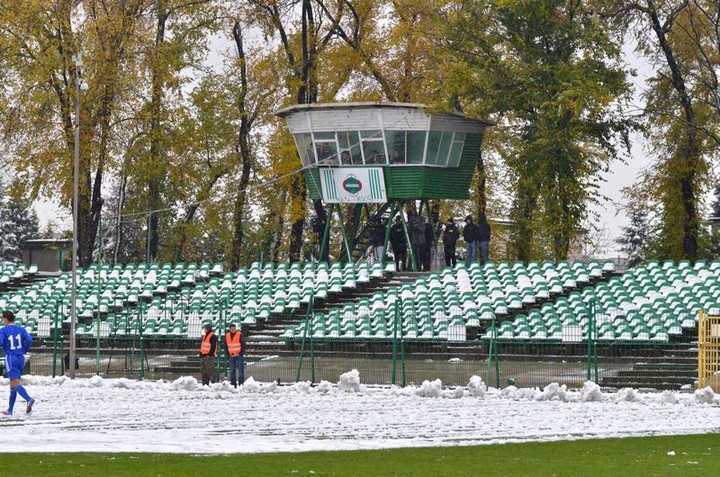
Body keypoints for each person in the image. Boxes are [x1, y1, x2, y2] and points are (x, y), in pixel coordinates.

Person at [1, 310, 36, 416]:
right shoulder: (21, 329)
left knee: (15, 384)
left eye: (2, 319)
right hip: (21, 357)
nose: (2, 321)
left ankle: (29, 399)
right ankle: (10, 410)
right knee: (13, 384)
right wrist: (24, 350)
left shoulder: (3, 330)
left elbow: (1, 342)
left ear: (6, 319)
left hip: (11, 358)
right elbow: (29, 340)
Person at [224, 323, 245, 388]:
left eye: (234, 328)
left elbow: (243, 344)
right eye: (232, 329)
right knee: (232, 371)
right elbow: (225, 345)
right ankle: (233, 384)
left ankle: (240, 384)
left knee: (241, 370)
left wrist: (241, 353)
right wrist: (228, 354)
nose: (233, 330)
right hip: (231, 355)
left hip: (238, 355)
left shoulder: (239, 334)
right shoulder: (227, 335)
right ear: (229, 329)